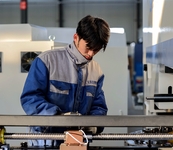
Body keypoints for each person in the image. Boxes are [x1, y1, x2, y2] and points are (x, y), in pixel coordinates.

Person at [20, 15, 110, 147]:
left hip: (78, 143)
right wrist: (60, 116)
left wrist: (94, 124)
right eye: (88, 47)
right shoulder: (47, 61)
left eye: (96, 49)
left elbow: (99, 106)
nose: (90, 54)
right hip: (46, 143)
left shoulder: (96, 70)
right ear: (76, 38)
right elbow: (30, 99)